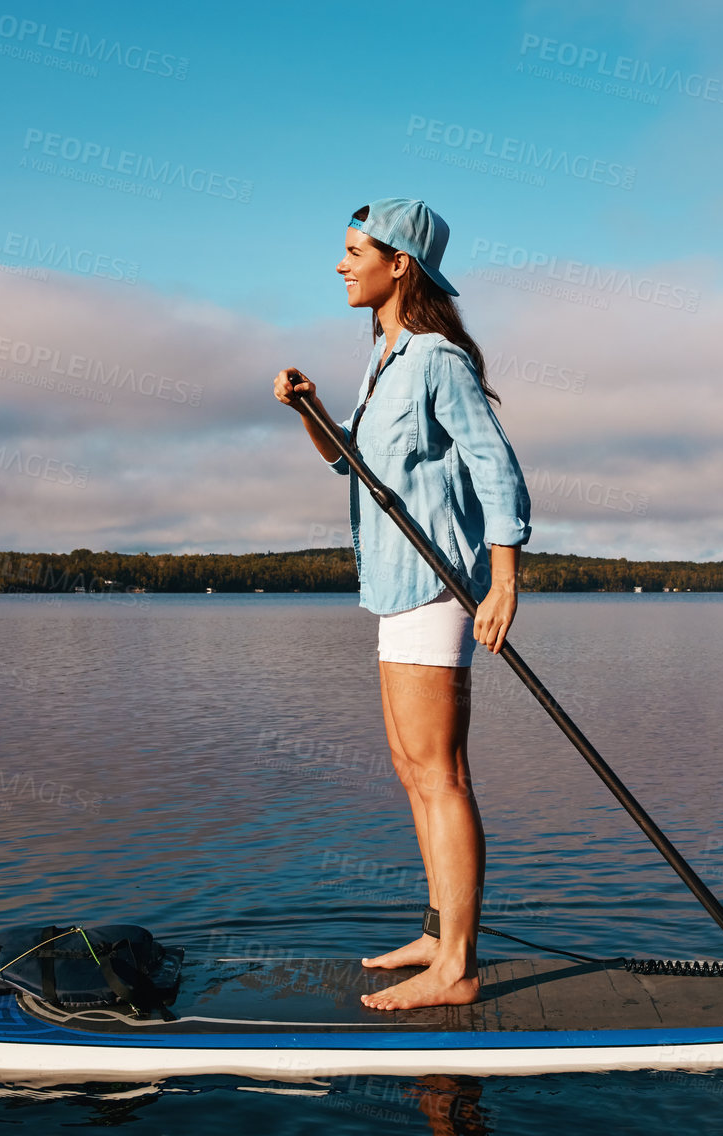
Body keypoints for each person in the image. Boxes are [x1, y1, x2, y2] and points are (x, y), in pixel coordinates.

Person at [273, 197, 532, 1011]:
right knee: (410, 770)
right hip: (392, 589)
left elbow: (497, 469)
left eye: (355, 251)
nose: (342, 265)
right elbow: (350, 462)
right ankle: (434, 929)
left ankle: (455, 966)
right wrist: (310, 409)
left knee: (440, 773)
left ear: (400, 265)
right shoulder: (383, 359)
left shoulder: (434, 358)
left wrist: (503, 581)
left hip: (437, 587)